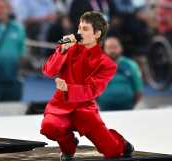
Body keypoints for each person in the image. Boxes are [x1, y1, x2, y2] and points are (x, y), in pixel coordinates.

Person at [40, 11, 134, 161]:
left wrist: (68, 89)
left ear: (97, 34)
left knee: (112, 151)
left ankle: (120, 143)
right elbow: (48, 71)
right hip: (60, 106)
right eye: (78, 28)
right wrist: (62, 50)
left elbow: (93, 90)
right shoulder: (66, 50)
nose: (78, 32)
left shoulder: (107, 64)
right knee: (49, 126)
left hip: (84, 110)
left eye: (84, 29)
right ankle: (69, 147)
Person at [0, 0, 26, 116]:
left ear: (8, 8)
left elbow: (21, 53)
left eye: (1, 7)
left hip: (13, 80)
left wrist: (20, 73)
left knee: (11, 114)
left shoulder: (18, 28)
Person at [97, 37, 143, 111]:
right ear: (104, 49)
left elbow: (138, 89)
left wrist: (133, 107)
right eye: (109, 47)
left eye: (115, 47)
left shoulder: (131, 65)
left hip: (128, 109)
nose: (112, 50)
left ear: (121, 48)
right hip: (104, 110)